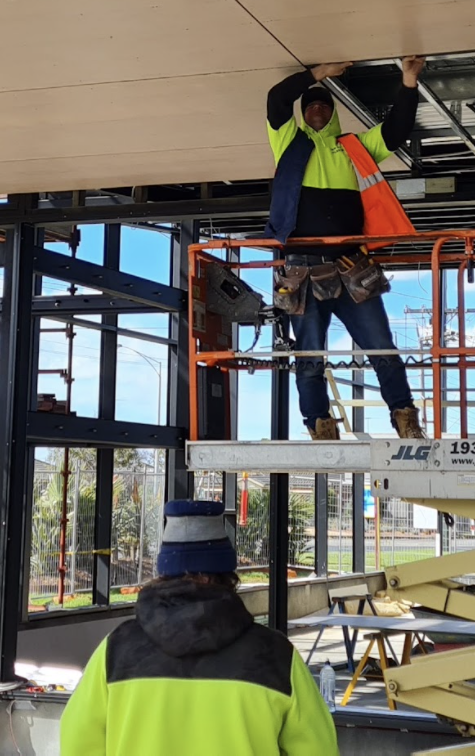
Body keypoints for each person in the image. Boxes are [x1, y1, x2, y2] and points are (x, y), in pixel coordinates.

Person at [61, 500, 338, 756]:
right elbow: (318, 749)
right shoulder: (276, 658)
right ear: (225, 576)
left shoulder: (115, 652)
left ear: (163, 574)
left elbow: (76, 744)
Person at [265, 59, 427, 440]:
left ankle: (405, 417)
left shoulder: (353, 148)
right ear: (303, 115)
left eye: (324, 104)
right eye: (310, 105)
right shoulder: (289, 142)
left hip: (351, 264)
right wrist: (319, 74)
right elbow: (276, 99)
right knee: (308, 355)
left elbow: (397, 128)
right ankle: (319, 425)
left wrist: (408, 81)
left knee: (382, 347)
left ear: (335, 112)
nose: (317, 108)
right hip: (302, 270)